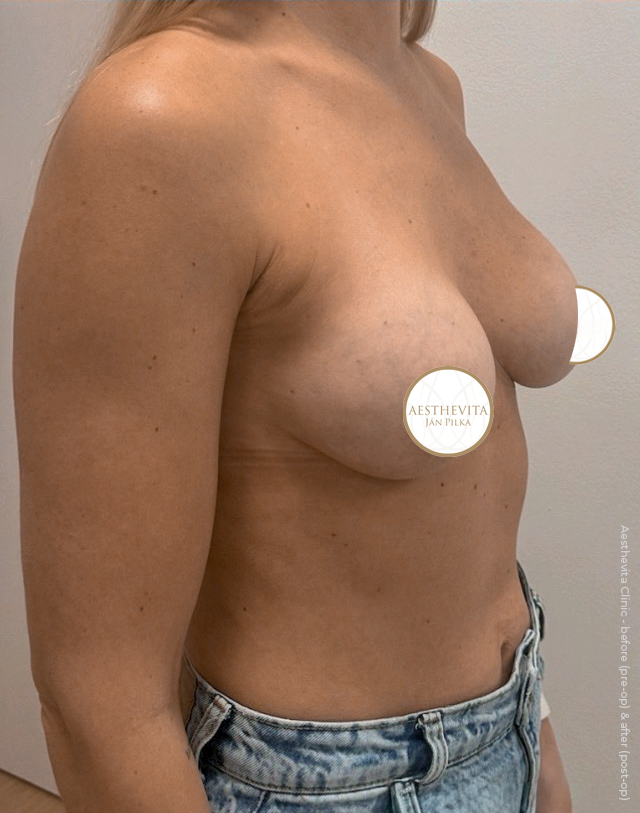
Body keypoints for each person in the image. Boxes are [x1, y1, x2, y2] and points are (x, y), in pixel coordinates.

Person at [12, 2, 575, 811]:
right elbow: (98, 706)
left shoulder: (428, 85)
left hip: (510, 729)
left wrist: (536, 739)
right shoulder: (162, 117)